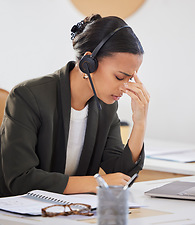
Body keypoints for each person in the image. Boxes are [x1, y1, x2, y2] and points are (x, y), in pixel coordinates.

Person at [0, 14, 150, 197]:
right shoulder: (28, 96)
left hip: (70, 213)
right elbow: (20, 179)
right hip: (19, 215)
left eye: (130, 78)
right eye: (119, 77)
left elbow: (120, 175)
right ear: (89, 63)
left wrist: (140, 123)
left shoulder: (106, 106)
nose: (125, 87)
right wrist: (94, 183)